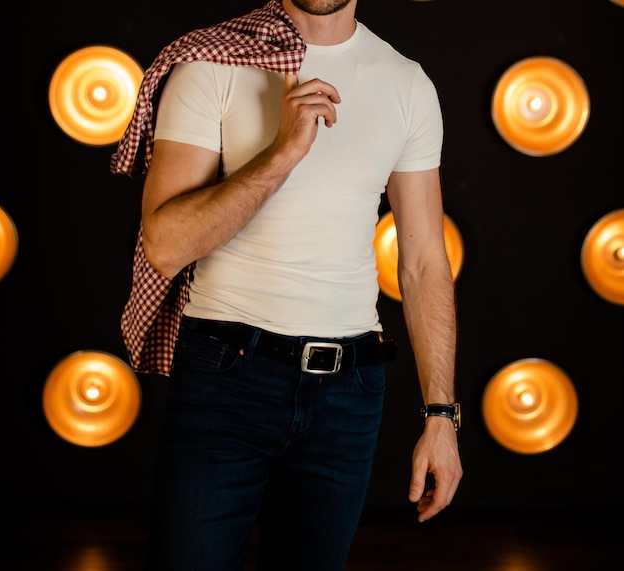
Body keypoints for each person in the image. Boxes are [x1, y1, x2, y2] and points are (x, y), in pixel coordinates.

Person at [112, 0, 462, 569]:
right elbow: (166, 242)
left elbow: (424, 262)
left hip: (348, 395)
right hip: (226, 378)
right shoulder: (211, 63)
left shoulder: (406, 83)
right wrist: (282, 154)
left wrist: (441, 417)